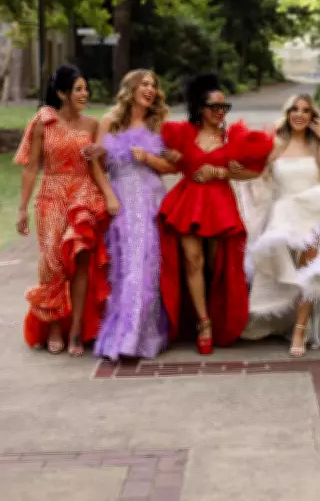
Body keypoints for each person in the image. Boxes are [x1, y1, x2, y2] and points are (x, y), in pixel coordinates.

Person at [158, 73, 273, 354]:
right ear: (201, 107)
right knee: (192, 261)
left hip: (220, 205)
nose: (221, 112)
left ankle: (217, 314)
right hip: (188, 202)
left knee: (216, 265)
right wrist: (171, 157)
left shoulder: (231, 137)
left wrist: (221, 172)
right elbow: (161, 150)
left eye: (224, 107)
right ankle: (203, 323)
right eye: (215, 106)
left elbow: (253, 171)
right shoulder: (184, 133)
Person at [240, 94, 320, 357]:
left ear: (312, 116)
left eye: (305, 110)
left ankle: (300, 330)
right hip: (285, 213)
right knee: (292, 272)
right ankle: (293, 322)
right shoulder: (276, 143)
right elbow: (256, 174)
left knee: (309, 266)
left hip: (316, 211)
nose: (299, 114)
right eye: (295, 109)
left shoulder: (317, 143)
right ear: (288, 113)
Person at [14, 65, 114, 357]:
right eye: (79, 89)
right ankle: (55, 326)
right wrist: (22, 208)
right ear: (62, 93)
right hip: (51, 196)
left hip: (83, 195)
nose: (85, 94)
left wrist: (104, 158)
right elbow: (31, 168)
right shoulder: (43, 122)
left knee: (80, 261)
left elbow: (99, 168)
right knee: (53, 263)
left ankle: (76, 330)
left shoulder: (92, 125)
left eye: (86, 89)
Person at [84, 70, 176, 362]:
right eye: (144, 84)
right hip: (122, 199)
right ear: (131, 89)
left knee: (147, 266)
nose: (150, 89)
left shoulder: (158, 124)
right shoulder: (110, 121)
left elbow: (173, 167)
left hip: (151, 200)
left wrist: (148, 158)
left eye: (153, 85)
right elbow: (96, 164)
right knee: (126, 266)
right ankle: (123, 334)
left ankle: (141, 336)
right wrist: (109, 195)